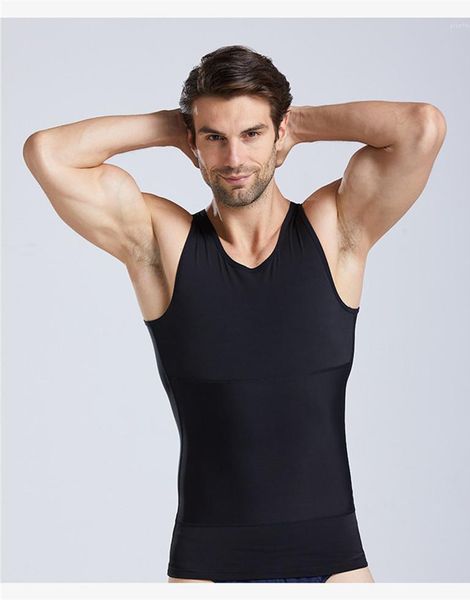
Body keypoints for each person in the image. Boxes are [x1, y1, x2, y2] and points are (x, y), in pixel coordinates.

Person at [23, 44, 446, 584]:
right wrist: (176, 127)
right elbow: (47, 152)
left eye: (252, 134)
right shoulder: (163, 245)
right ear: (194, 144)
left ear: (278, 133)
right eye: (214, 138)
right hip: (206, 571)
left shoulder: (335, 231)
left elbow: (421, 127)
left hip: (335, 569)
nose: (233, 159)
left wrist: (296, 125)